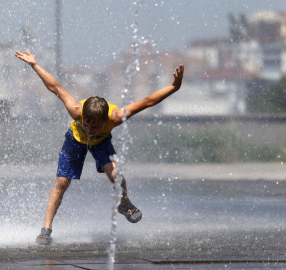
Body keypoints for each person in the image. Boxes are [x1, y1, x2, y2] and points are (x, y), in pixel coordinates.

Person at [14, 49, 184, 245]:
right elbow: (55, 87)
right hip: (75, 140)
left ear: (106, 120)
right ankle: (45, 230)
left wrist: (174, 87)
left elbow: (147, 101)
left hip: (102, 142)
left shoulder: (116, 117)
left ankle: (124, 203)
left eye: (95, 126)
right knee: (61, 182)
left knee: (115, 174)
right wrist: (35, 64)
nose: (90, 129)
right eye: (87, 124)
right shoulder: (76, 111)